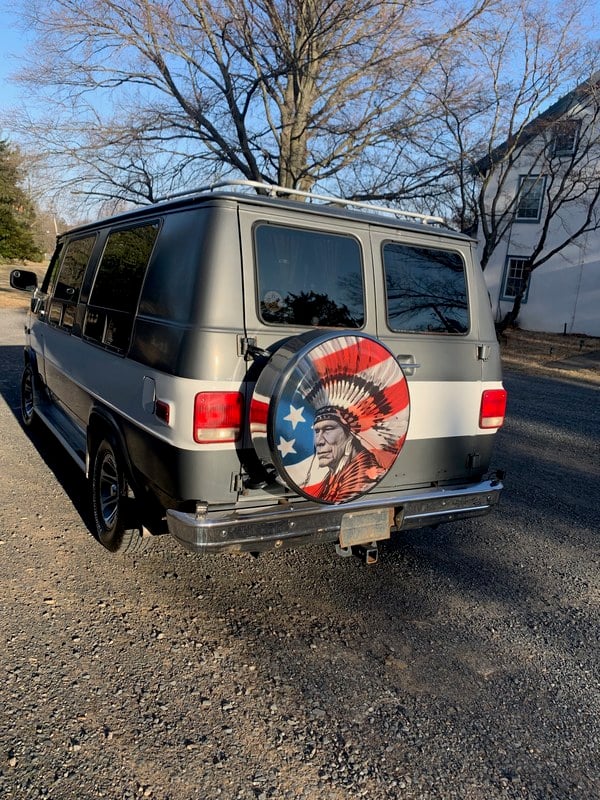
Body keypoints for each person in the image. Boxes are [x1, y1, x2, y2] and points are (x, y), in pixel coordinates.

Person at [312, 407, 383, 503]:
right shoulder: (336, 476)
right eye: (317, 431)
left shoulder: (361, 476)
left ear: (350, 434)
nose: (318, 441)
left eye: (328, 429)